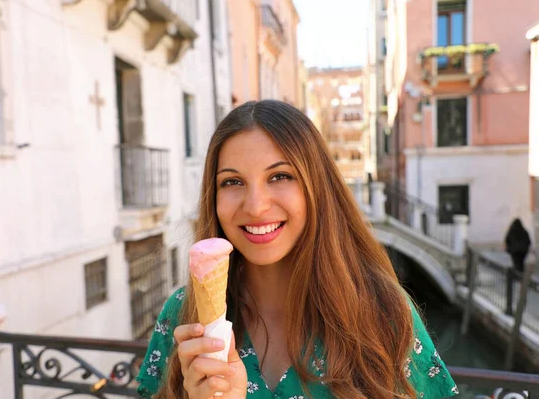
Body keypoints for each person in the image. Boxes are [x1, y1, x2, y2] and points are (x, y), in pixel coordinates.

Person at [136, 100, 458, 398]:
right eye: (232, 182)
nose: (256, 206)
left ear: (317, 189)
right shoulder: (182, 316)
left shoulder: (383, 312)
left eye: (280, 176)